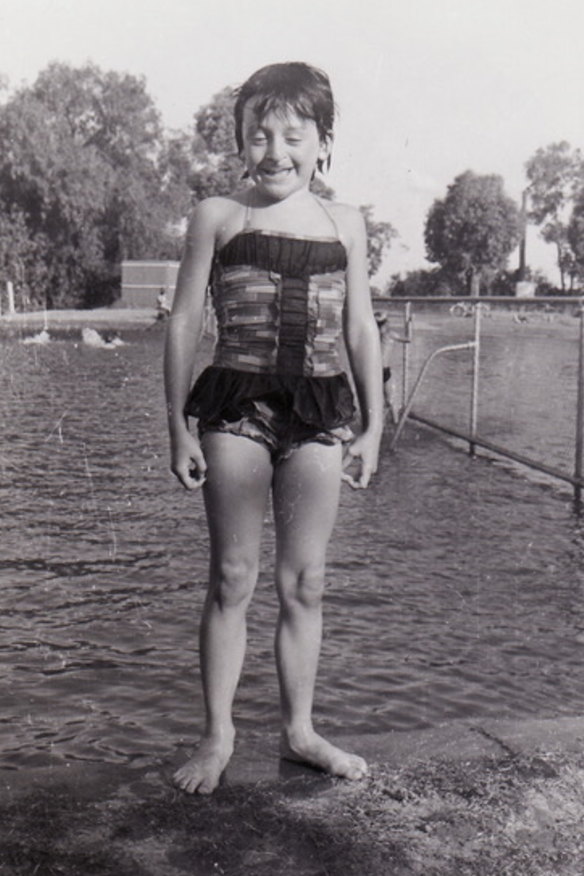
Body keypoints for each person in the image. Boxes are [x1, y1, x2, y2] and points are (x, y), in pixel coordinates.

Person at [164, 62, 383, 795]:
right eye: (259, 134)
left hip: (319, 411)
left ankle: (299, 731)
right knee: (233, 575)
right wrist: (177, 425)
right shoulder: (219, 216)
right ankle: (218, 733)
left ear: (323, 143)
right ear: (239, 143)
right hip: (236, 405)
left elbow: (358, 325)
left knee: (307, 581)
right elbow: (187, 320)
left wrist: (375, 423)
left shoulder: (344, 221)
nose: (275, 150)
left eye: (294, 134)